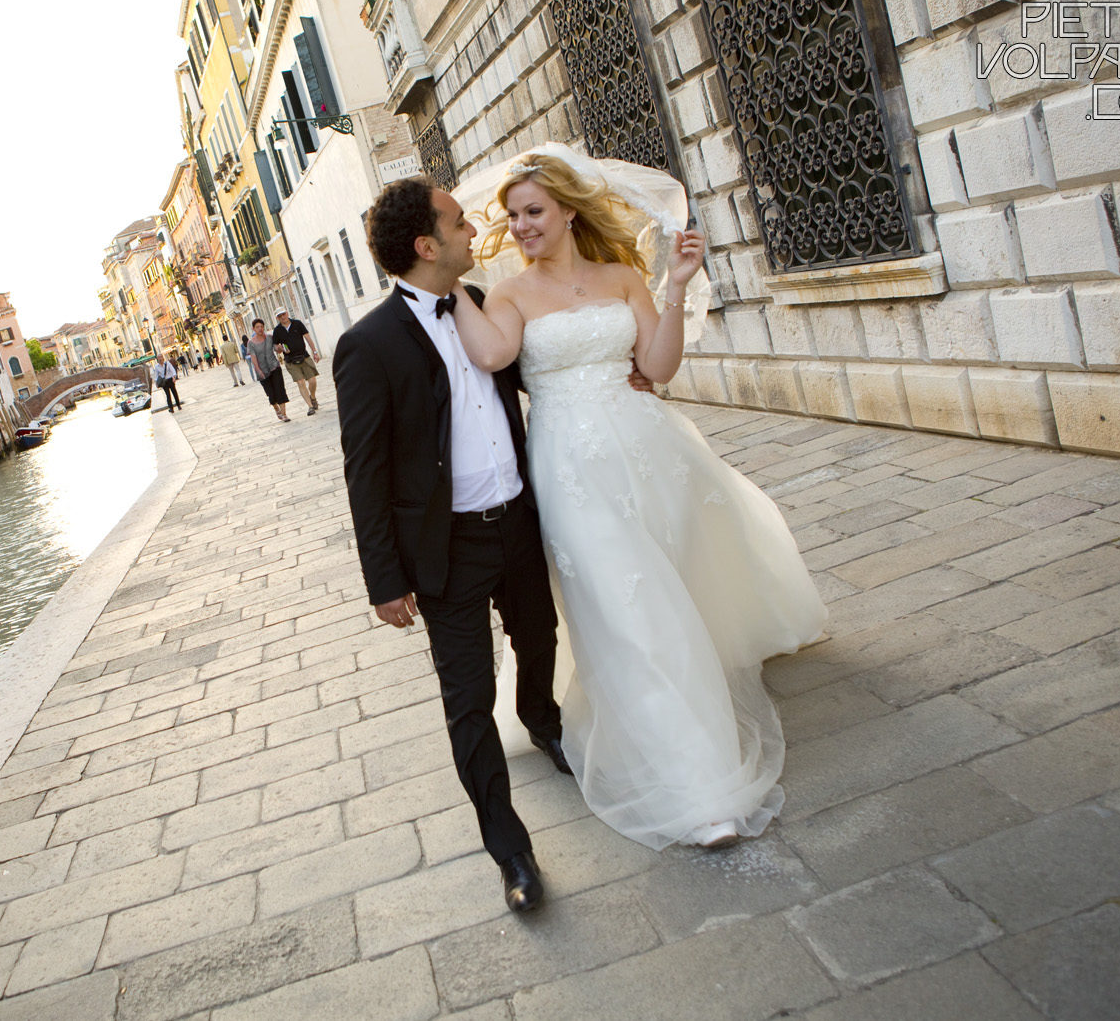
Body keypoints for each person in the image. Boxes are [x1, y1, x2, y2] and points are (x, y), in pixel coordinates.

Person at [448, 146, 828, 851]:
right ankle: (698, 784)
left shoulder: (625, 277)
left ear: (566, 209)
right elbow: (494, 357)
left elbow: (657, 366)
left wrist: (676, 283)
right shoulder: (505, 297)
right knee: (629, 610)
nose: (523, 226)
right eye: (514, 216)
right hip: (568, 469)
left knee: (669, 592)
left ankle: (695, 716)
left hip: (649, 454)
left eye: (534, 212)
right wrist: (447, 287)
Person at [335, 178, 569, 914]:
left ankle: (543, 720)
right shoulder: (365, 346)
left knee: (540, 636)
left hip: (519, 520)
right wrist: (384, 579)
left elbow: (541, 375)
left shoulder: (485, 301)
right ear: (427, 245)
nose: (478, 231)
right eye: (461, 223)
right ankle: (512, 851)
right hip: (448, 548)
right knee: (467, 702)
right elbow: (365, 471)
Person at [272, 309, 323, 415]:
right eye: (280, 316)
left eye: (284, 314)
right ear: (277, 318)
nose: (282, 317)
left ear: (287, 314)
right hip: (290, 360)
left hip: (304, 356)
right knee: (300, 382)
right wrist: (279, 348)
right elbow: (275, 346)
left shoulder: (297, 324)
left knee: (312, 380)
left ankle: (312, 397)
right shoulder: (277, 330)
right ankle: (310, 406)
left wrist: (314, 351)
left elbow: (307, 337)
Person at [246, 318, 292, 422]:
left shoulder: (270, 338)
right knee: (271, 394)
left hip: (274, 367)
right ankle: (277, 409)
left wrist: (281, 348)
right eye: (257, 327)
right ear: (253, 329)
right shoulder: (251, 343)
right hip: (262, 371)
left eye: (261, 326)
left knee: (280, 390)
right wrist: (259, 371)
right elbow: (253, 359)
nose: (260, 329)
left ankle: (284, 414)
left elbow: (276, 349)